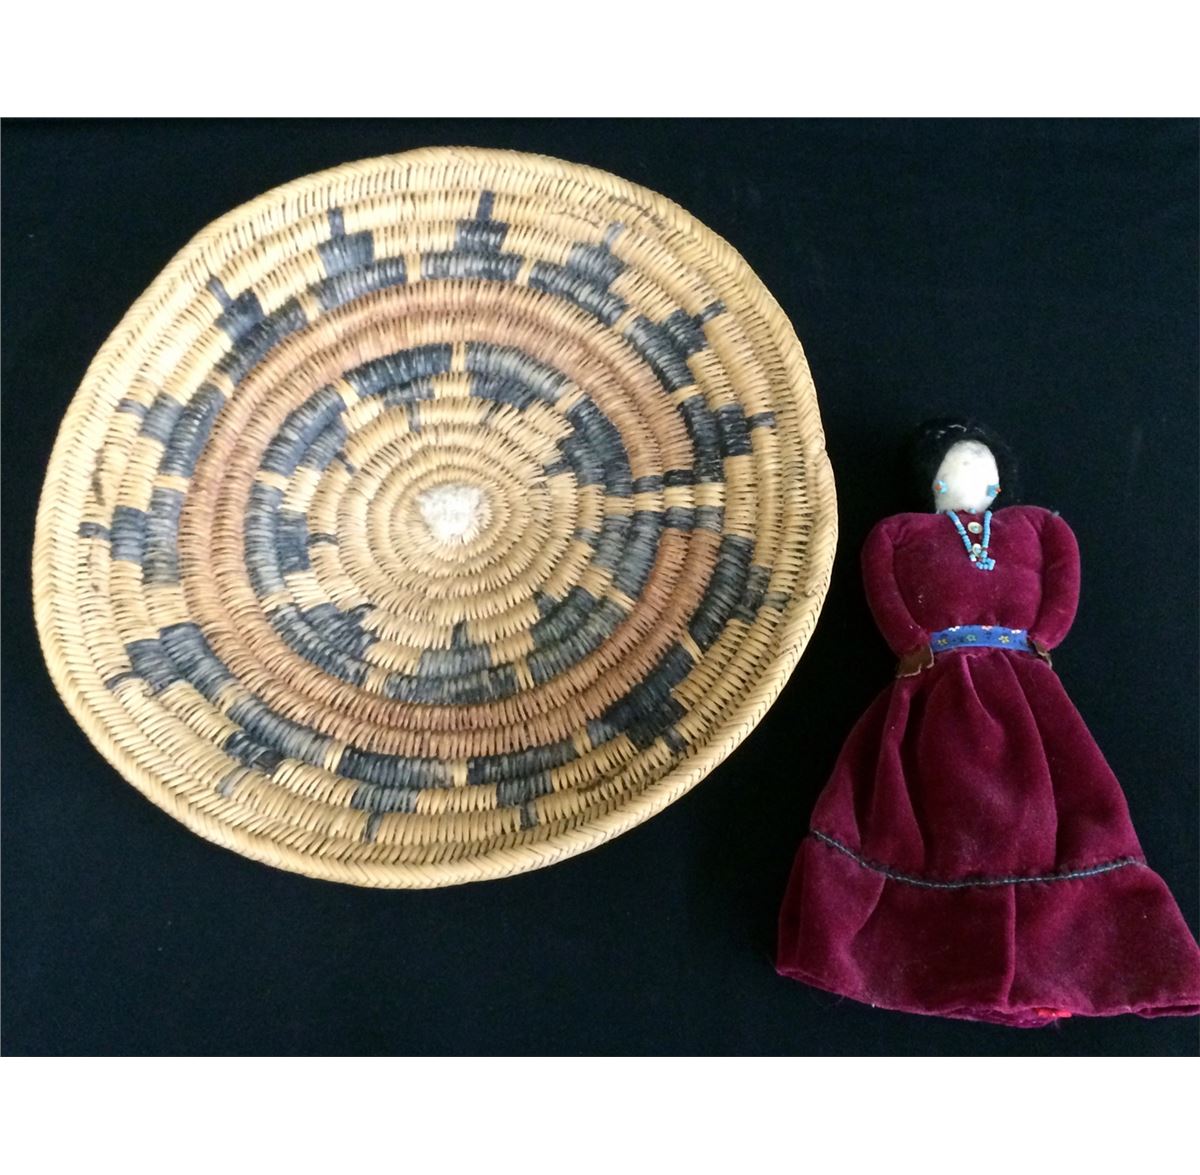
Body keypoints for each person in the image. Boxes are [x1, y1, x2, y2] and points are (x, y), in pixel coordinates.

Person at [776, 418, 1200, 1026]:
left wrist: (1043, 638)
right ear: (931, 480)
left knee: (1052, 803)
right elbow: (886, 589)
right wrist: (911, 645)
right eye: (955, 465)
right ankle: (923, 943)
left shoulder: (1035, 528)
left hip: (1027, 690)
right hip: (935, 683)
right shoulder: (901, 532)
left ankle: (1058, 949)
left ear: (1002, 483)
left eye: (983, 466)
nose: (971, 474)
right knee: (928, 801)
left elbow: (1061, 576)